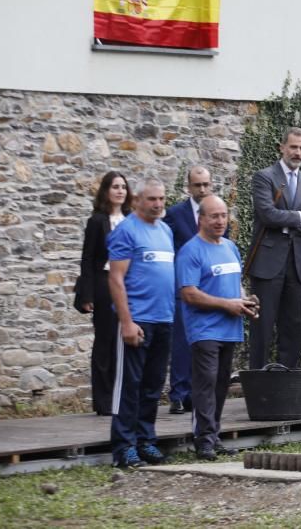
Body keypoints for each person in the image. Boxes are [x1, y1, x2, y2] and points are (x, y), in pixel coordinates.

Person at [175, 195, 256, 461]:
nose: (220, 220)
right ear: (201, 218)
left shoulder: (231, 248)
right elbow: (189, 294)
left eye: (223, 215)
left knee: (221, 385)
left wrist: (246, 302)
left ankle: (214, 435)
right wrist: (227, 305)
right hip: (204, 329)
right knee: (205, 384)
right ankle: (203, 440)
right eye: (214, 216)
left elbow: (235, 286)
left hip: (230, 328)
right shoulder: (191, 250)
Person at [107, 177, 175, 468]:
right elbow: (116, 279)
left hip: (164, 319)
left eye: (161, 199)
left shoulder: (166, 231)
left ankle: (146, 440)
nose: (158, 204)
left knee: (152, 386)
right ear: (137, 201)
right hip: (138, 321)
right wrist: (126, 322)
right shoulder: (126, 231)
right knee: (129, 386)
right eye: (151, 199)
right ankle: (124, 447)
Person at [246, 127, 301, 369]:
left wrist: (287, 223)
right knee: (263, 328)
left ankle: (286, 386)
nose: (297, 152)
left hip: (297, 265)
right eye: (293, 147)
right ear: (282, 147)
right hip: (268, 264)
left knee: (292, 328)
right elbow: (267, 215)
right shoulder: (264, 177)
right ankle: (257, 386)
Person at [75, 171, 131, 416]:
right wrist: (87, 294)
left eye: (123, 187)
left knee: (127, 341)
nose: (120, 191)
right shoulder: (97, 221)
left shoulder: (131, 220)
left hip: (130, 285)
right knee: (105, 341)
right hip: (104, 284)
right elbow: (87, 259)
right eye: (115, 187)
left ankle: (124, 396)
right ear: (106, 191)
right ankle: (104, 401)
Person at [163, 165, 216, 416]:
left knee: (204, 342)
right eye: (197, 185)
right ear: (189, 186)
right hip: (184, 286)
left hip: (209, 287)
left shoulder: (217, 213)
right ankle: (178, 394)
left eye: (206, 184)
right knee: (182, 342)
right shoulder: (174, 214)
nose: (202, 189)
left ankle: (198, 394)